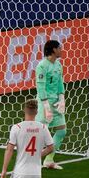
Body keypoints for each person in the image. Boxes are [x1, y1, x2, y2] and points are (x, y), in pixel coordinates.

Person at [35, 39, 66, 170]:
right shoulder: (42, 66)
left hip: (56, 102)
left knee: (62, 131)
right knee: (41, 134)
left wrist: (62, 98)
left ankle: (48, 160)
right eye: (59, 47)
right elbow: (40, 87)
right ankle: (31, 159)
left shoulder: (58, 65)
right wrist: (46, 107)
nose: (61, 49)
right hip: (44, 103)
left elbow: (60, 82)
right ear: (53, 50)